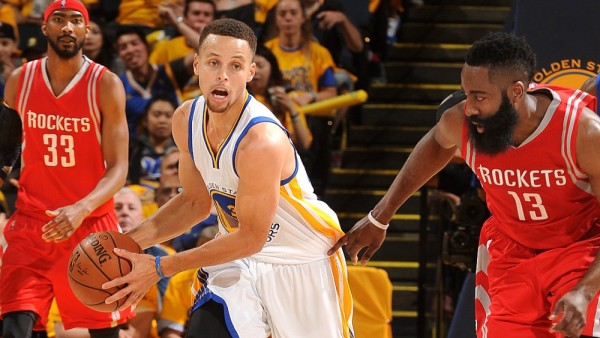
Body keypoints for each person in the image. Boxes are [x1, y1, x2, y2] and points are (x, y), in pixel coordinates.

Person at [330, 31, 600, 338]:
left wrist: (586, 291)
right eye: (466, 93)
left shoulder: (582, 132)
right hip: (512, 249)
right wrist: (380, 217)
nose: (469, 107)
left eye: (480, 96)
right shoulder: (461, 121)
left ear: (516, 92)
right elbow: (434, 144)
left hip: (578, 248)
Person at [102, 18, 354, 338]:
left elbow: (252, 236)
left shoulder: (261, 140)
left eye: (235, 65)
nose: (223, 75)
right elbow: (195, 202)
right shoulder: (185, 119)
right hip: (238, 258)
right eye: (213, 62)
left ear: (250, 73)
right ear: (196, 65)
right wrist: (128, 244)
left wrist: (159, 267)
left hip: (299, 261)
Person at [0, 1, 134, 337]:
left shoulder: (105, 84)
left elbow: (119, 168)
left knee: (103, 332)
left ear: (87, 31)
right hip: (32, 225)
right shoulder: (20, 80)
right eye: (58, 20)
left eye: (76, 20)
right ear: (44, 28)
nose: (67, 27)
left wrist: (81, 208)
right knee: (15, 326)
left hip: (89, 227)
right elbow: (5, 148)